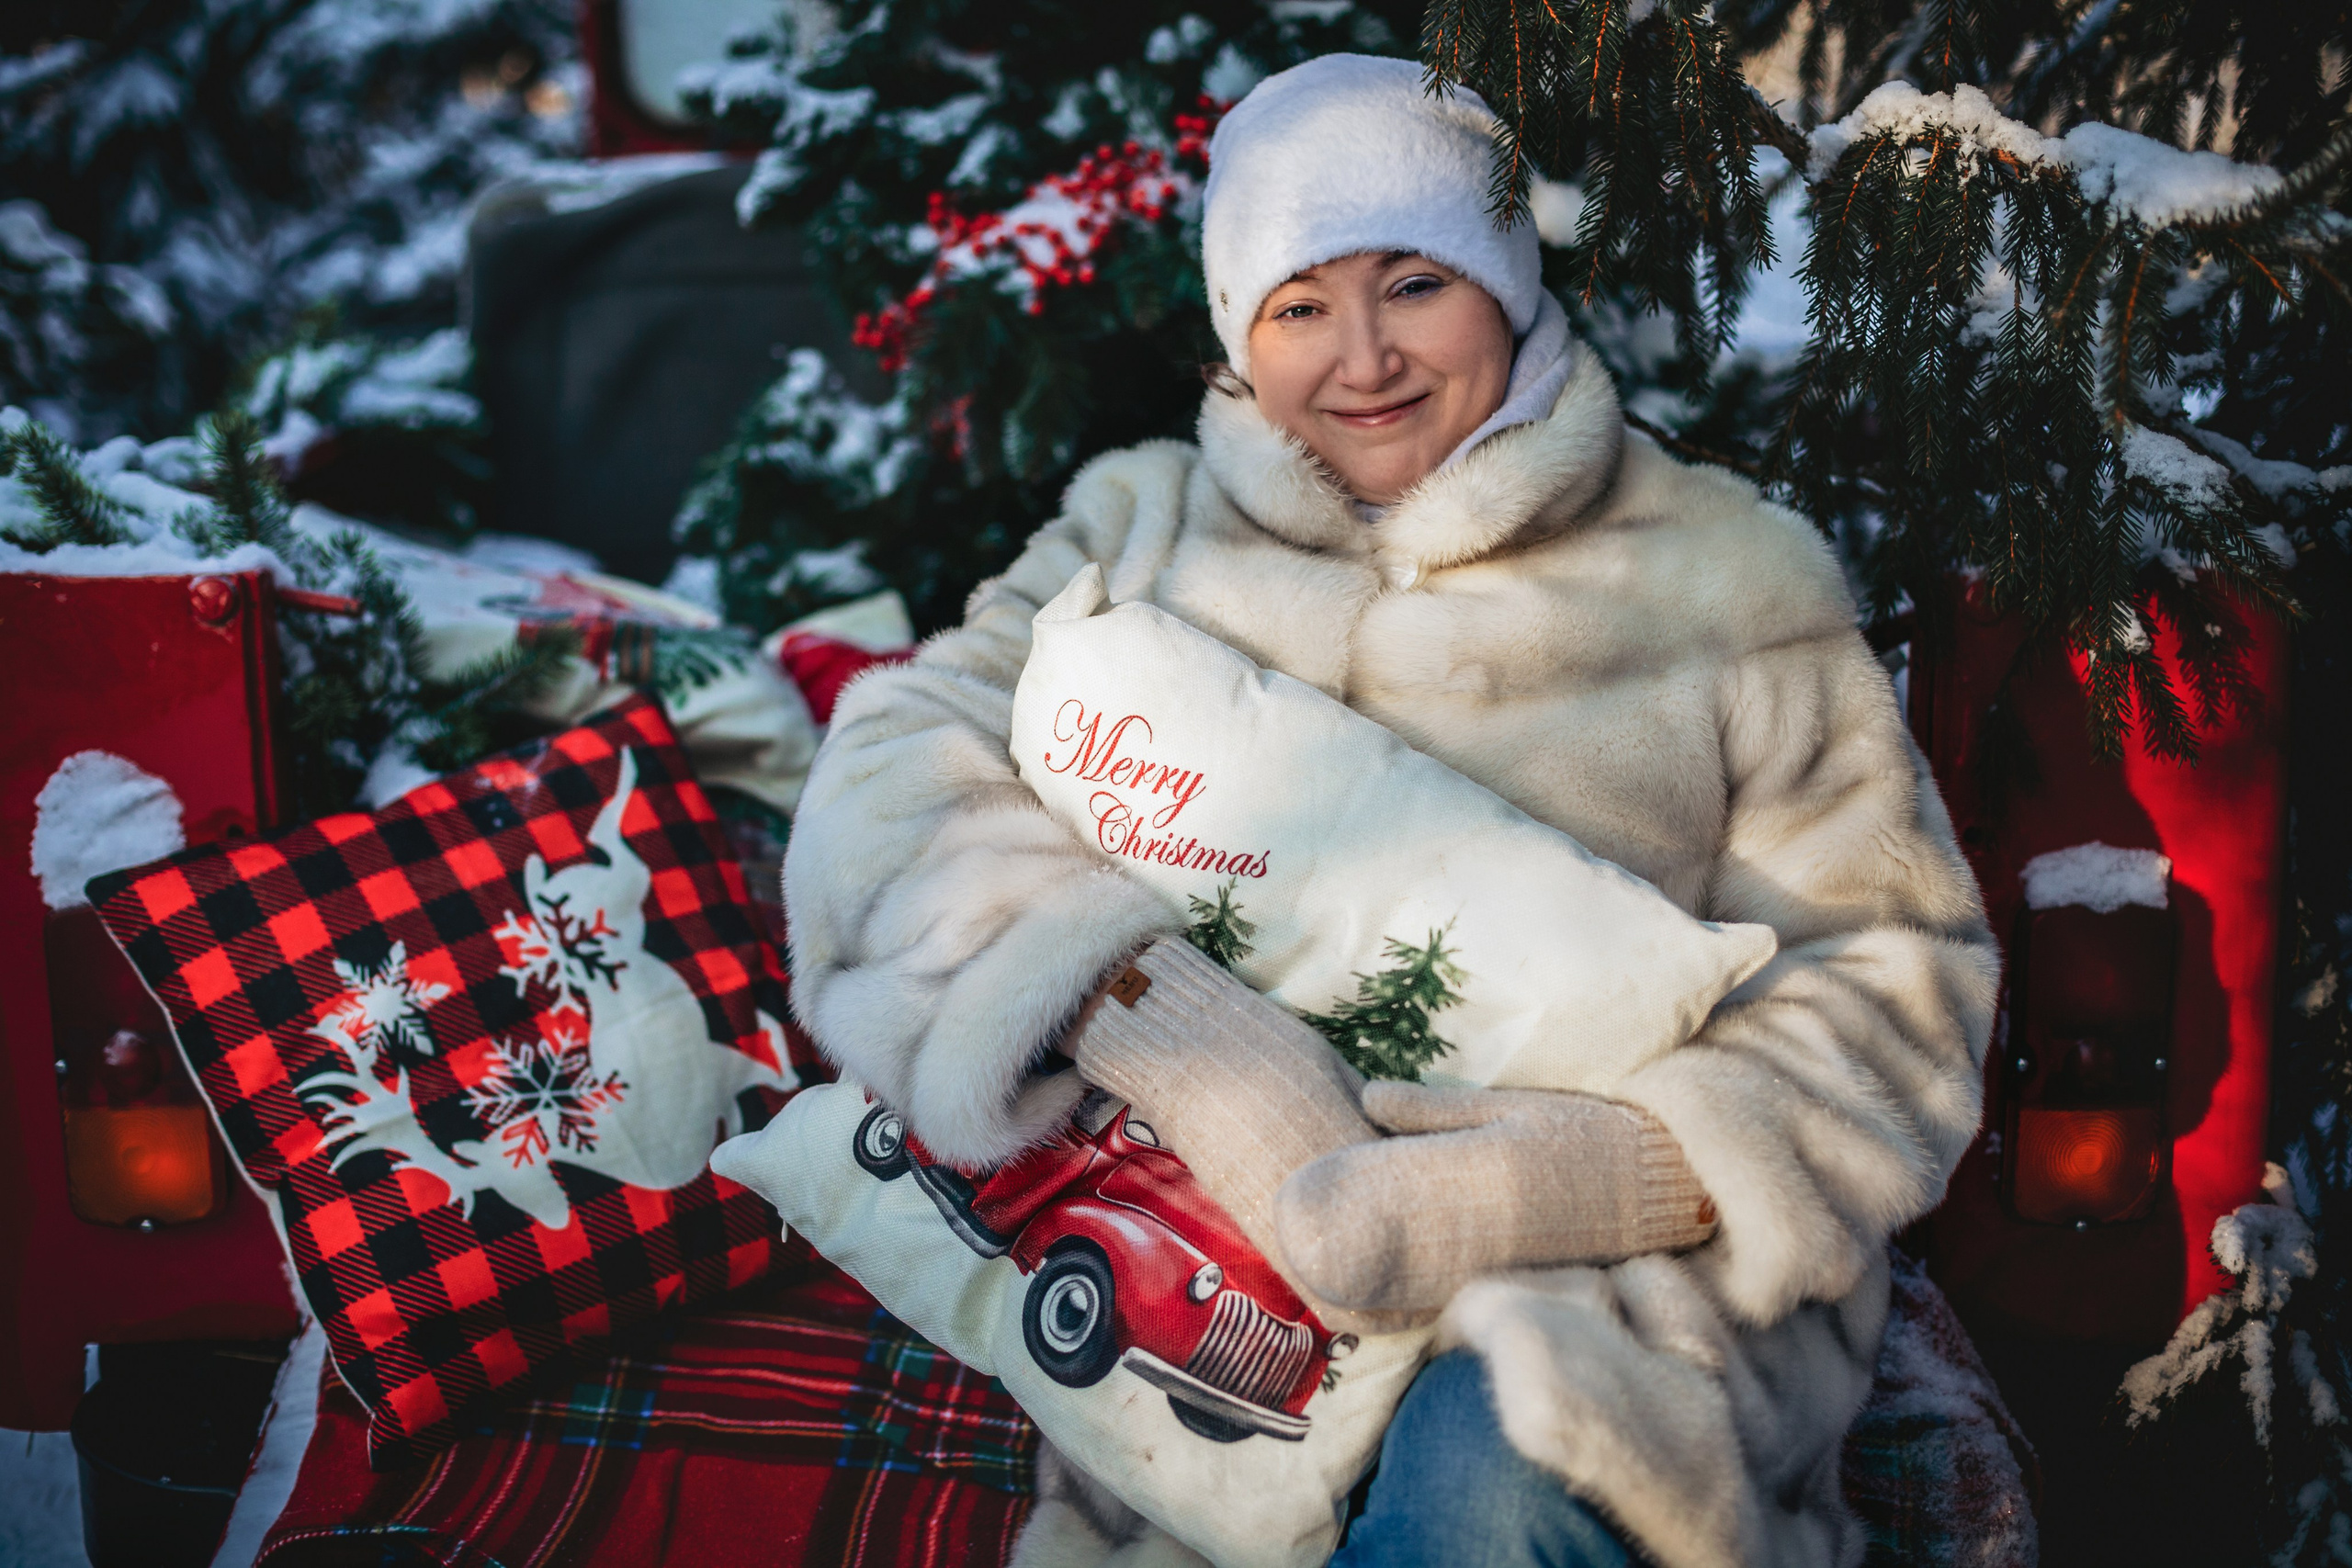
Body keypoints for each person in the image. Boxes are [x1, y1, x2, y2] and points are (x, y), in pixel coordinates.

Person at [782, 52, 1998, 1568]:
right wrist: (1151, 1013)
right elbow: (894, 771)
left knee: (1491, 1506)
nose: (1362, 359)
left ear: (1507, 286)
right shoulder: (1144, 533)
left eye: (1414, 281)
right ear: (1242, 332)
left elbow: (1904, 987)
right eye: (1300, 307)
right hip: (1210, 1270)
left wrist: (1608, 1172)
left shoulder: (1729, 583)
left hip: (1592, 1306)